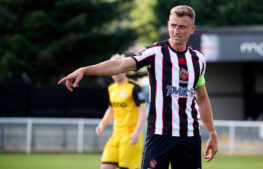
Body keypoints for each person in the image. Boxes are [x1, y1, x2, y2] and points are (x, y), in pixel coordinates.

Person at [58, 5, 218, 169]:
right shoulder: (155, 53)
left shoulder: (198, 59)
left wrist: (212, 132)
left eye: (182, 27)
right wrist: (86, 70)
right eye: (173, 25)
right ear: (168, 24)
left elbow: (202, 98)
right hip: (159, 135)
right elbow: (119, 65)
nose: (176, 31)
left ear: (192, 29)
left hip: (190, 137)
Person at [95, 54, 147, 169]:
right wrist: (102, 123)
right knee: (105, 166)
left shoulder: (134, 87)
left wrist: (137, 132)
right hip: (116, 135)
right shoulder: (111, 88)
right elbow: (111, 109)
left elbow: (143, 111)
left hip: (130, 136)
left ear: (124, 68)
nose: (116, 71)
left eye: (118, 67)